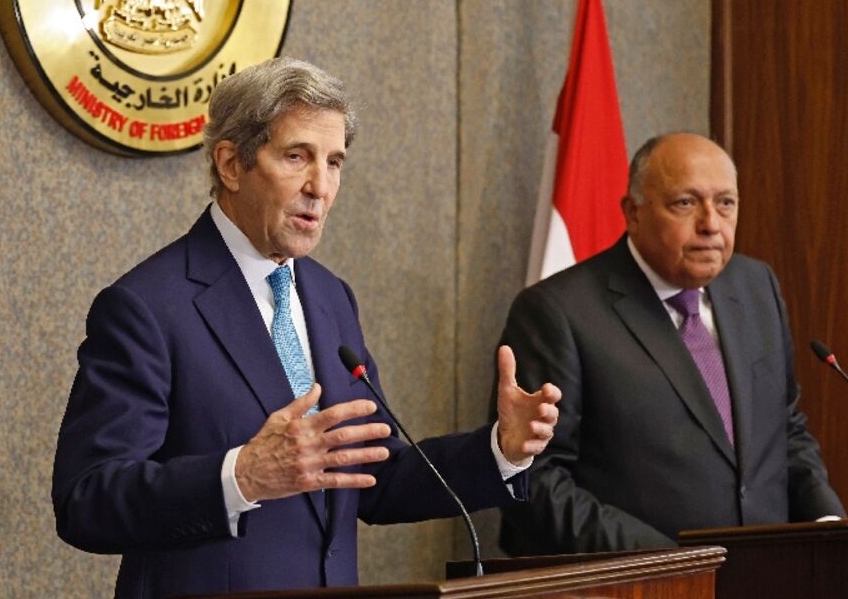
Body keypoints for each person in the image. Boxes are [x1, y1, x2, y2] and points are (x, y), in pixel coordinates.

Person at [53, 57, 562, 597]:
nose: (320, 186)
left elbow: (373, 475)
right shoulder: (147, 307)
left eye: (334, 162)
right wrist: (241, 476)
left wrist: (499, 450)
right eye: (297, 157)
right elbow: (86, 500)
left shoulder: (329, 296)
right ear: (231, 164)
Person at [498, 132, 843, 555]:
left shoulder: (756, 287)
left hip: (769, 572)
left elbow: (783, 427)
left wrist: (826, 521)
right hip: (642, 579)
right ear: (634, 212)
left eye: (726, 203)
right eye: (685, 203)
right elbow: (533, 477)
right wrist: (668, 563)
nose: (711, 224)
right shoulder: (559, 312)